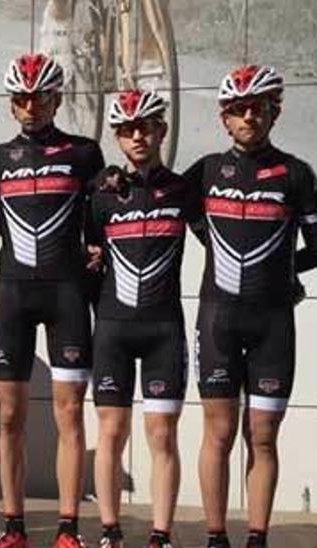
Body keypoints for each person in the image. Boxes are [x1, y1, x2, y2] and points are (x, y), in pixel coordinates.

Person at [184, 65, 317, 548]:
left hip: (272, 324)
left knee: (262, 436)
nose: (250, 117)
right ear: (224, 118)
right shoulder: (205, 171)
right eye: (239, 110)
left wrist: (284, 276)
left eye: (259, 108)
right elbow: (159, 200)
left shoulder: (296, 173)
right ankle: (215, 537)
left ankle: (257, 539)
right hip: (218, 319)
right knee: (219, 433)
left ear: (274, 113)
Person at [0, 53, 104, 548]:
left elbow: (98, 225)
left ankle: (68, 527)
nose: (30, 107)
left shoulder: (84, 152)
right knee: (10, 416)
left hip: (67, 293)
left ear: (56, 98)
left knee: (69, 413)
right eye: (21, 99)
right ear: (12, 106)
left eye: (40, 97)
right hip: (13, 292)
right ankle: (13, 526)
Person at [88, 89, 194, 548]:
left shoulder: (185, 189)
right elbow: (89, 258)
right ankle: (110, 531)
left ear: (161, 131)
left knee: (161, 434)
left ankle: (160, 534)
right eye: (128, 129)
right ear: (116, 136)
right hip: (112, 327)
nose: (137, 136)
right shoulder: (103, 194)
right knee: (111, 432)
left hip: (163, 330)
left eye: (146, 127)